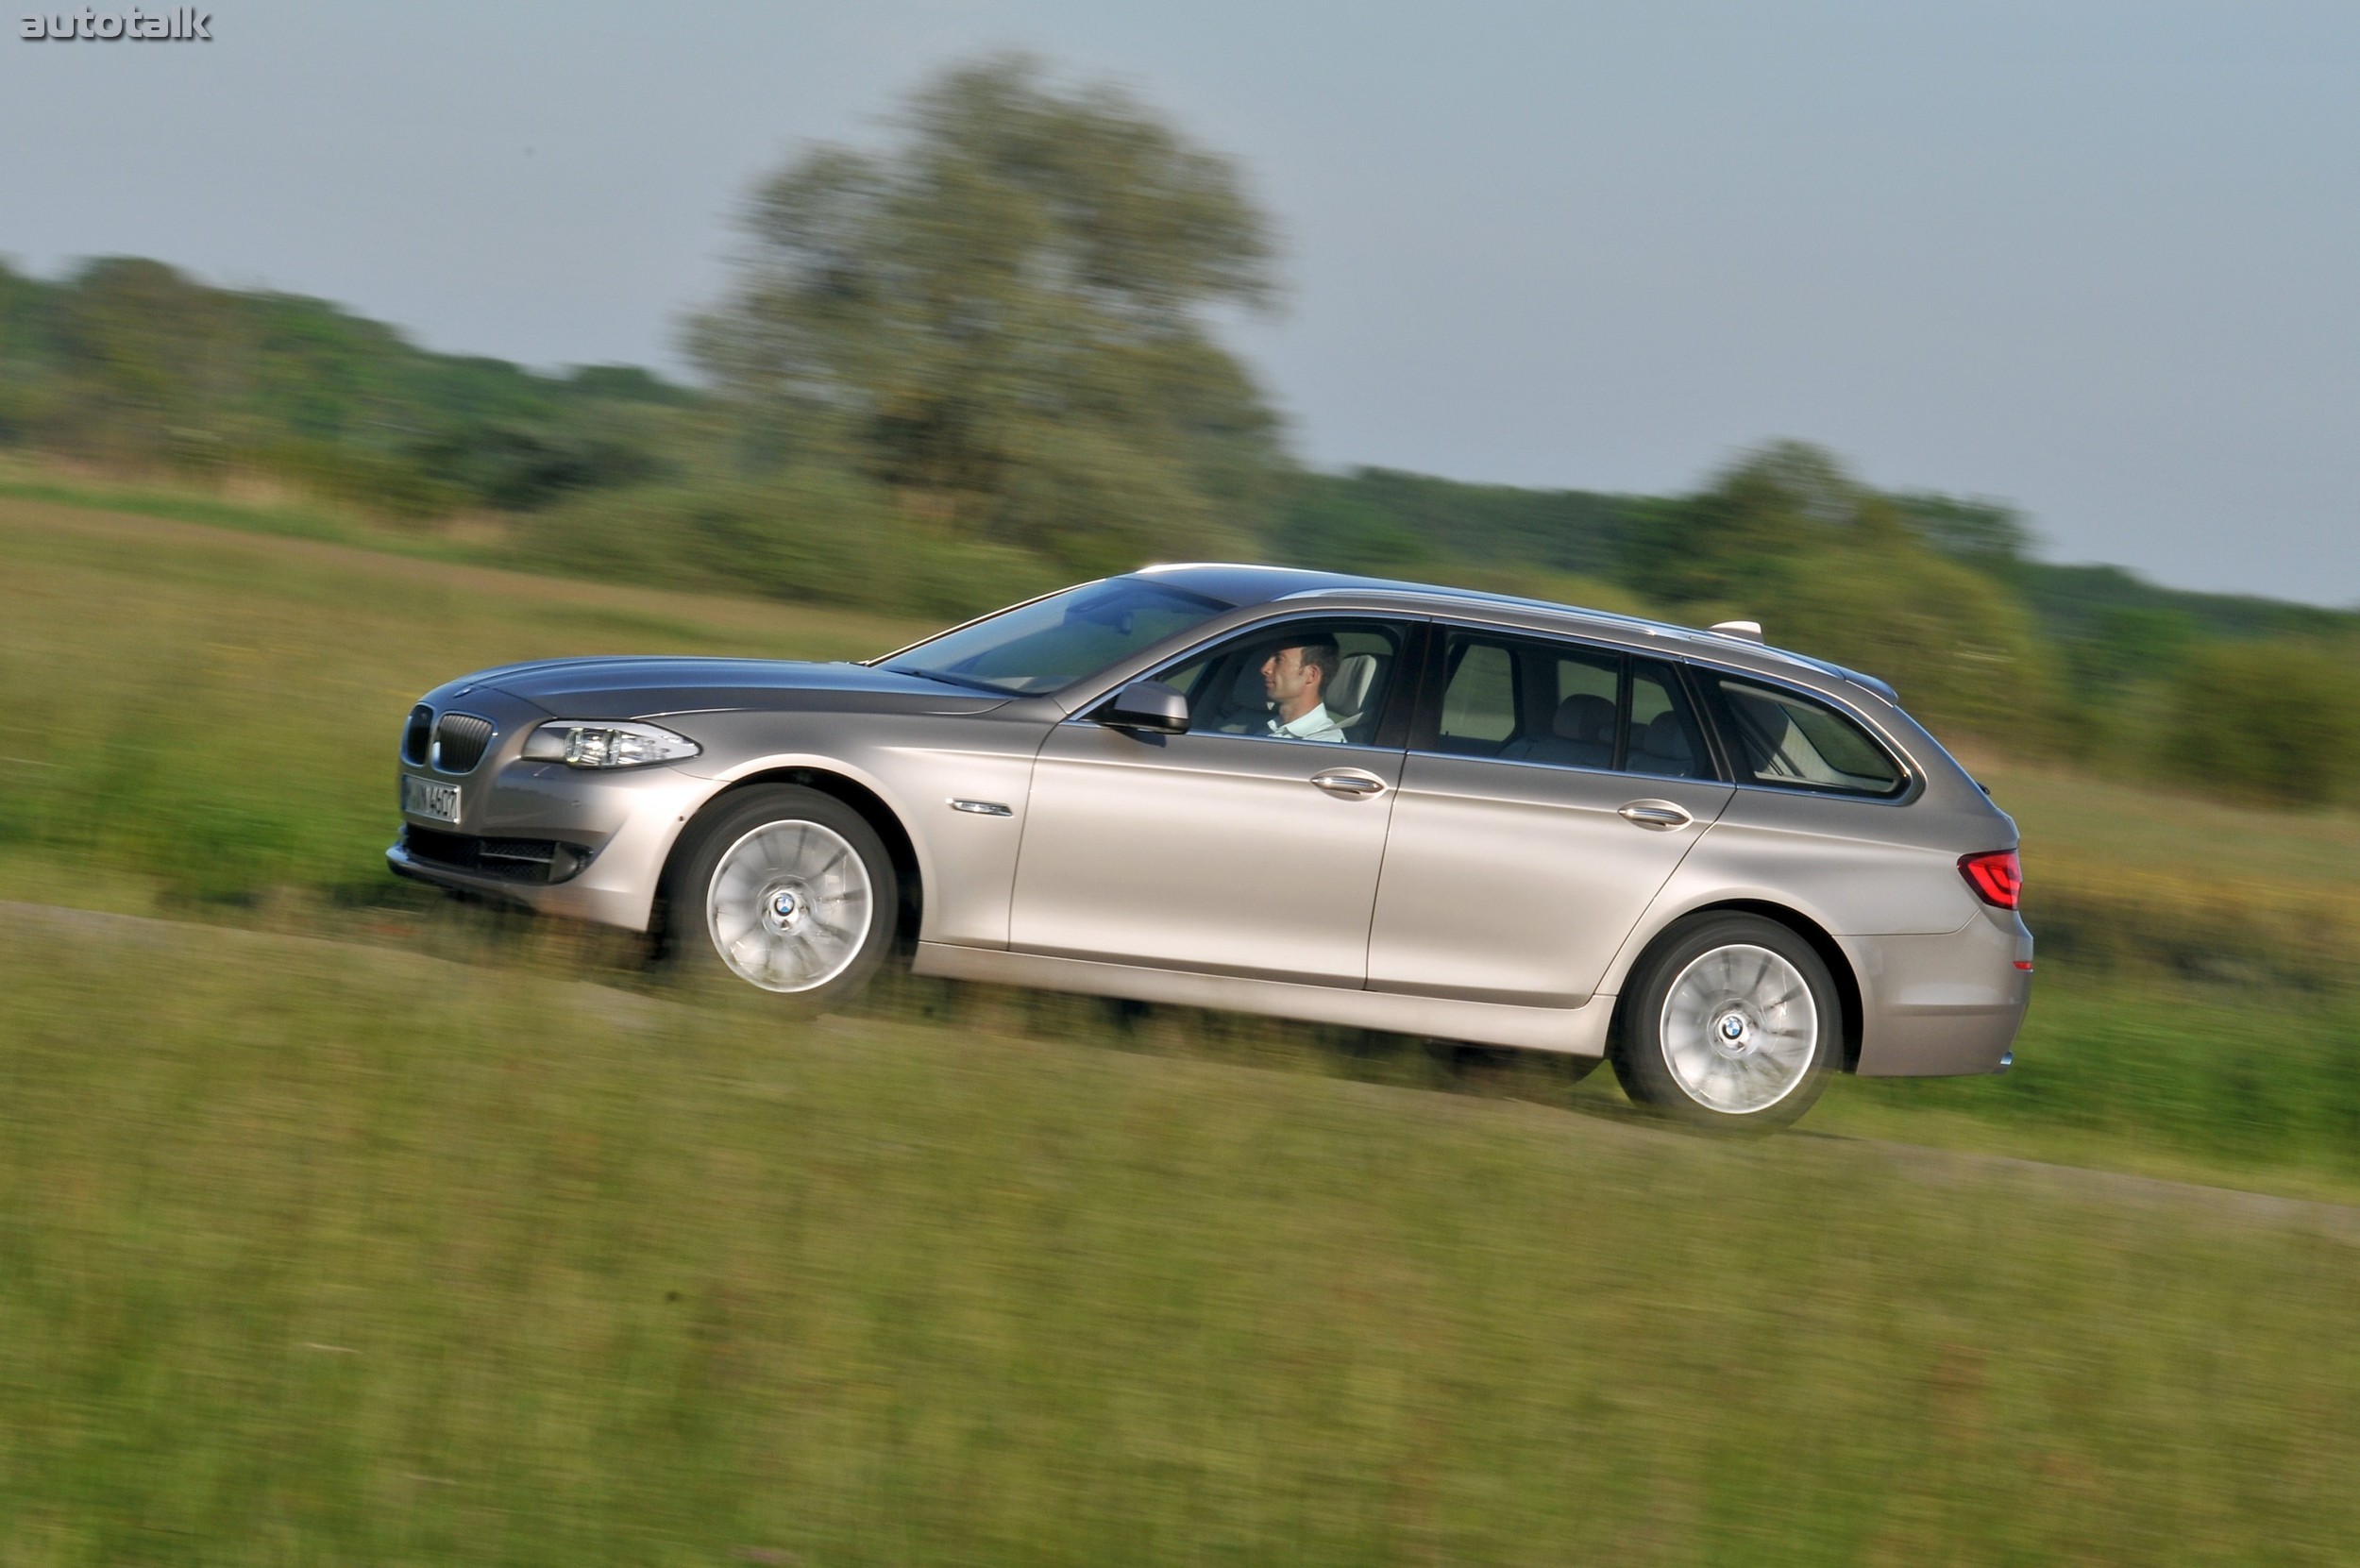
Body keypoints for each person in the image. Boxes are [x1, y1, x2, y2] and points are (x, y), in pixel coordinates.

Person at [1258, 637, 1346, 743]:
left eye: (1278, 660)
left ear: (1311, 675)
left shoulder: (1324, 746)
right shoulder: (1268, 729)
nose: (1265, 669)